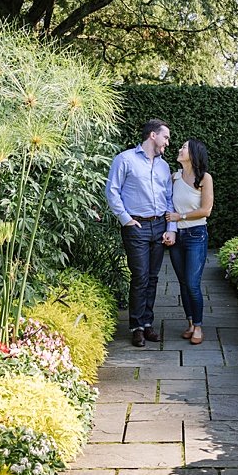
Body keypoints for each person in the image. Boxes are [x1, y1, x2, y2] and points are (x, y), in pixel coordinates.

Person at [105, 118, 176, 347]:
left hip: (159, 227)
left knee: (153, 278)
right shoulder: (125, 159)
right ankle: (135, 326)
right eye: (165, 137)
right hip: (137, 227)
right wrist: (126, 219)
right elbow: (112, 191)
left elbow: (169, 199)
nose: (168, 142)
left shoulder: (164, 166)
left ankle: (147, 324)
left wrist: (171, 228)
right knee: (140, 277)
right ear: (153, 135)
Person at [165, 138, 214, 345]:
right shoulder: (174, 177)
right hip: (178, 238)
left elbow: (206, 210)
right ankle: (191, 323)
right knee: (183, 283)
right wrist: (171, 229)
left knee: (193, 284)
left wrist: (180, 217)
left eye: (184, 147)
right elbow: (168, 203)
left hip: (196, 235)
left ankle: (199, 326)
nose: (179, 149)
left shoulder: (205, 178)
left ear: (193, 153)